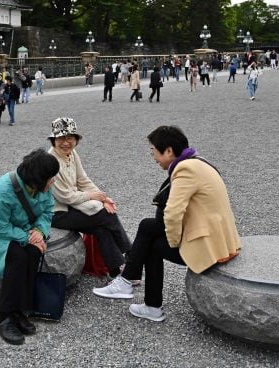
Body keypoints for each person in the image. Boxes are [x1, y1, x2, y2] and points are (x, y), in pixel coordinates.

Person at [92, 126, 241, 322]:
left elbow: (172, 213)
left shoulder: (185, 169)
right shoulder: (199, 162)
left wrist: (174, 241)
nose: (153, 156)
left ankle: (130, 283)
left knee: (150, 235)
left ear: (169, 151)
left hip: (210, 248)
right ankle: (139, 293)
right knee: (149, 234)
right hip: (221, 241)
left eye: (153, 150)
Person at [0, 148, 60, 345]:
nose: (53, 181)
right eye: (50, 178)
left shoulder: (44, 184)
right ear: (37, 179)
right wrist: (29, 237)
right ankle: (4, 318)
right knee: (17, 257)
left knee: (34, 252)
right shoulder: (2, 190)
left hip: (25, 229)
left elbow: (47, 211)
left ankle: (21, 311)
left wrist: (39, 231)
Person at [47, 118, 132, 280]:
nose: (66, 143)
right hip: (57, 213)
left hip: (71, 206)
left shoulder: (71, 154)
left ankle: (116, 275)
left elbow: (83, 180)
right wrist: (94, 197)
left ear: (76, 140)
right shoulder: (51, 162)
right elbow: (65, 197)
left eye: (70, 138)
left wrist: (104, 198)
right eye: (61, 138)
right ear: (53, 140)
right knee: (106, 216)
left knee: (101, 227)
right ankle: (132, 254)